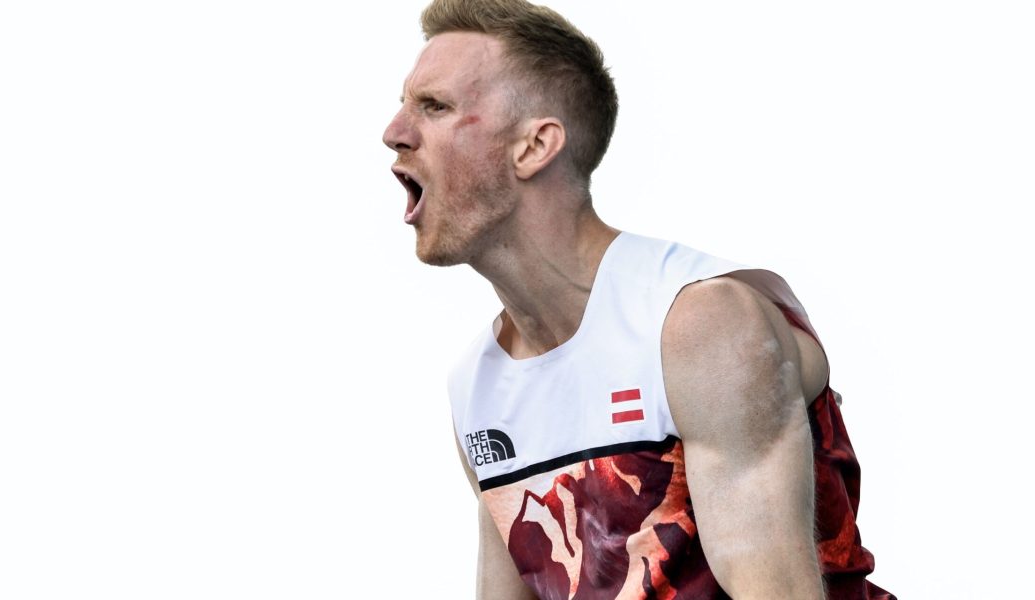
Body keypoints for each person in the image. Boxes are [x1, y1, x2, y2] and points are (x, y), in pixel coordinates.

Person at [382, 1, 891, 598]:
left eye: (434, 107)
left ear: (534, 146)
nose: (394, 132)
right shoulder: (480, 383)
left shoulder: (697, 323)